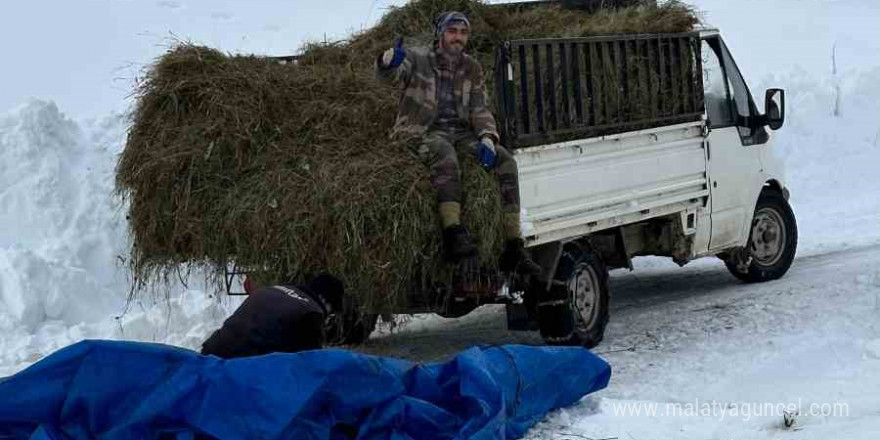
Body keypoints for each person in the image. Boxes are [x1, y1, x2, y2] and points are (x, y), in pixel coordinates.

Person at [376, 11, 541, 274]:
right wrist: (387, 62)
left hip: (461, 134)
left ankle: (514, 245)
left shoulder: (472, 67)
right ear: (441, 34)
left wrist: (487, 138)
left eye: (463, 33)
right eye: (453, 32)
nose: (458, 38)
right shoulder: (418, 59)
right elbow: (393, 75)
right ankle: (453, 232)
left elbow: (480, 108)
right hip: (421, 132)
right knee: (444, 152)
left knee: (505, 159)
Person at [200, 274, 344, 358]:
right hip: (239, 369)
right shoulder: (311, 312)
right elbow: (309, 365)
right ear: (326, 301)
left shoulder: (273, 289)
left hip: (211, 352)